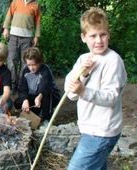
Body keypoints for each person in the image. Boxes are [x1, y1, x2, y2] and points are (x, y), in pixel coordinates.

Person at [64, 7, 127, 170]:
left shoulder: (113, 61)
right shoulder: (83, 59)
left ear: (108, 35)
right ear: (84, 37)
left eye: (103, 34)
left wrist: (83, 91)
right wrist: (83, 75)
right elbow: (70, 94)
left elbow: (111, 97)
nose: (99, 40)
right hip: (89, 128)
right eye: (93, 36)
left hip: (102, 132)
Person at [2, 0, 41, 93]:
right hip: (13, 37)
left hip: (27, 38)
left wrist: (36, 36)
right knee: (11, 61)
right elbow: (9, 14)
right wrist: (6, 28)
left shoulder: (36, 4)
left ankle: (21, 86)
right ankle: (11, 85)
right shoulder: (16, 1)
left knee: (25, 62)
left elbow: (38, 22)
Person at [14, 47, 59, 121]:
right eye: (29, 65)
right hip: (33, 96)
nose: (31, 68)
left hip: (47, 95)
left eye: (34, 64)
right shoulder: (25, 71)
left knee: (46, 97)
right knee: (18, 102)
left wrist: (39, 96)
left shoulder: (45, 70)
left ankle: (46, 117)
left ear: (40, 62)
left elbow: (45, 87)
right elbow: (22, 88)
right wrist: (25, 100)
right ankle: (34, 114)